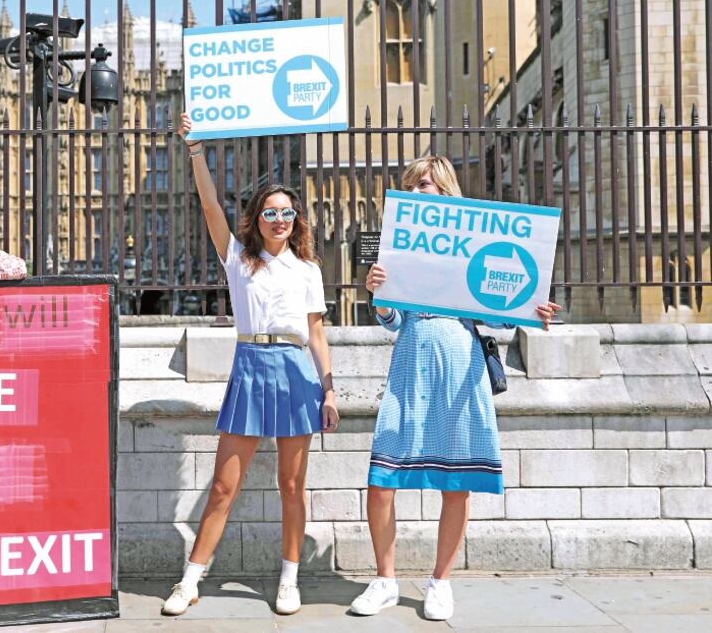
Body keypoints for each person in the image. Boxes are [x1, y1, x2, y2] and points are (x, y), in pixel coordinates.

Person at [350, 156, 560, 621]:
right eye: (410, 185)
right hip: (410, 365)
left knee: (457, 482)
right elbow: (391, 321)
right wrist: (378, 295)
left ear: (444, 190)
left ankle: (440, 582)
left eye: (423, 184)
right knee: (381, 480)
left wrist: (534, 309)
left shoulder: (475, 245)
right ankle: (384, 579)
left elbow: (500, 307)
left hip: (460, 364)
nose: (416, 191)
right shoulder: (399, 247)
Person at [161, 113, 339, 617]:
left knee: (291, 484)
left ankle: (289, 577)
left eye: (286, 213)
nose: (279, 220)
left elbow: (318, 335)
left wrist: (329, 391)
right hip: (250, 366)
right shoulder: (238, 258)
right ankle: (191, 579)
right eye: (270, 213)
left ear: (295, 220)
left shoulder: (307, 269)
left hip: (295, 371)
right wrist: (195, 150)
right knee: (223, 484)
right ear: (257, 219)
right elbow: (209, 205)